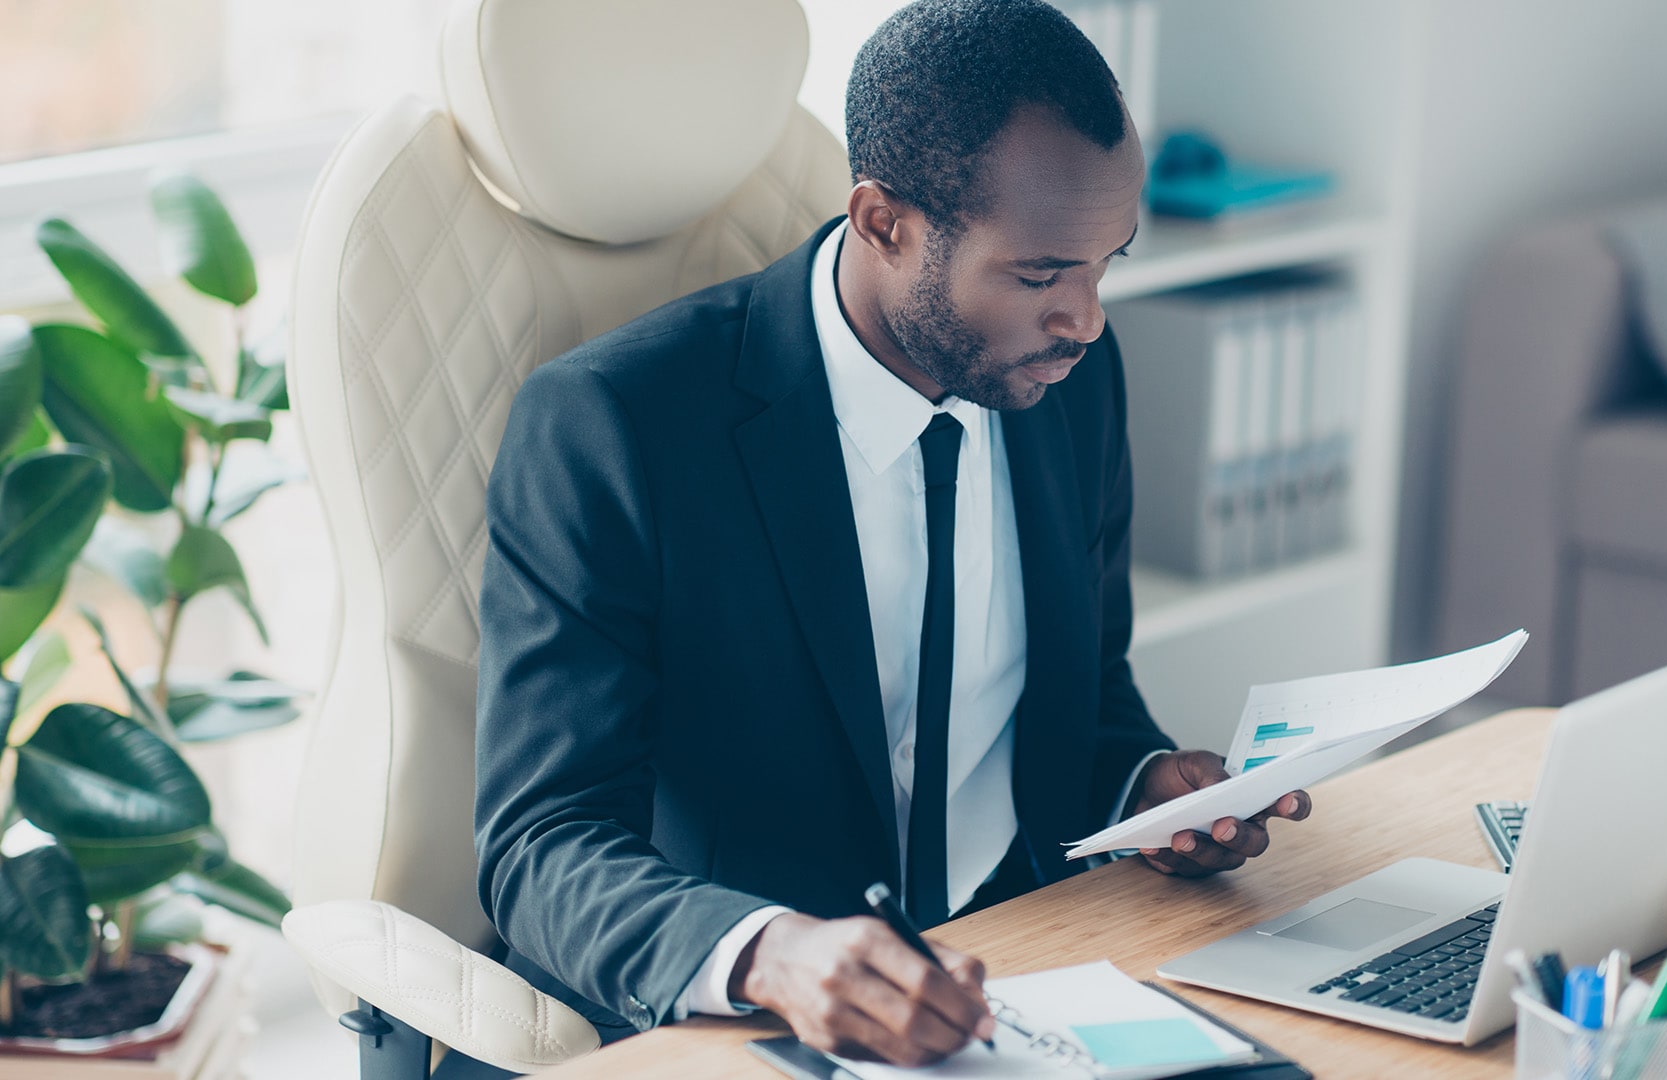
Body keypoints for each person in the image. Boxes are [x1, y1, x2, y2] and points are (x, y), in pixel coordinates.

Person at [472, 0, 1311, 1071]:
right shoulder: (613, 426)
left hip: (1015, 978)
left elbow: (1087, 689)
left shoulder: (1070, 381)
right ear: (882, 222)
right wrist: (770, 954)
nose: (1088, 318)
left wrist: (1146, 787)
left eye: (1106, 263)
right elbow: (542, 844)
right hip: (741, 1022)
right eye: (1043, 274)